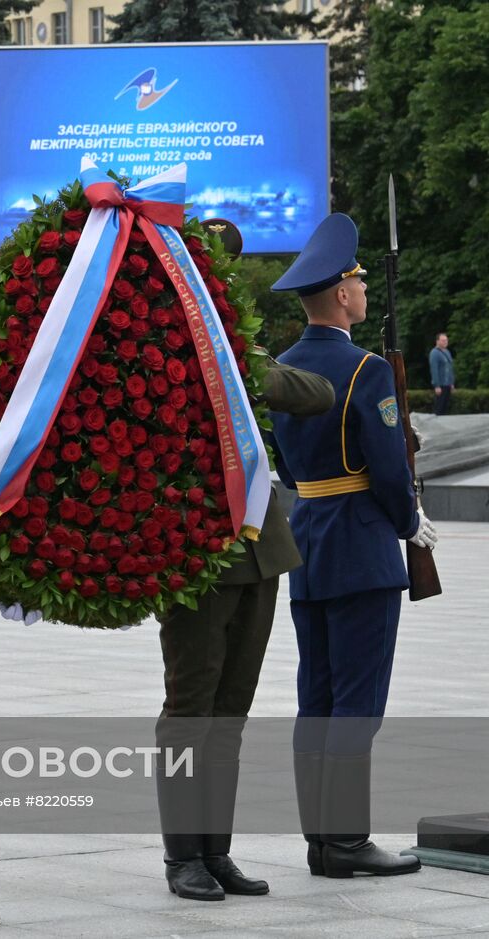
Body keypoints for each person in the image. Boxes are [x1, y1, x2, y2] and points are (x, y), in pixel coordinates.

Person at [153, 226, 340, 900]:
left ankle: (216, 849)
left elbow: (309, 393)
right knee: (191, 706)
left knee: (230, 710)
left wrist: (239, 358)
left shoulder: (234, 355)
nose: (218, 281)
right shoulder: (163, 355)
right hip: (195, 551)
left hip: (257, 546)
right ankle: (183, 856)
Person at [270, 213, 438, 878]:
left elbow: (286, 464)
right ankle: (347, 840)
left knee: (318, 697)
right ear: (340, 295)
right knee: (358, 704)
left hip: (308, 540)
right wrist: (409, 521)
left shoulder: (280, 368)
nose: (365, 292)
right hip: (363, 548)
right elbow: (390, 467)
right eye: (359, 283)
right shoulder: (366, 370)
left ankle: (322, 840)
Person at [429, 333, 454, 416]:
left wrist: (451, 383)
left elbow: (450, 369)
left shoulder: (447, 352)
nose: (445, 342)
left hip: (447, 384)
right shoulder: (434, 353)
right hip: (441, 385)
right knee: (439, 407)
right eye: (443, 340)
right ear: (437, 341)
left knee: (445, 407)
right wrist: (437, 385)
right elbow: (434, 370)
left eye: (446, 340)